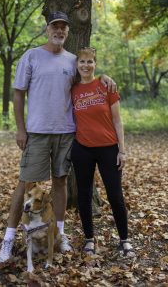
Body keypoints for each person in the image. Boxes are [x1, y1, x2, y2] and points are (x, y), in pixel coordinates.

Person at [0, 11, 117, 263]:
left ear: (67, 31)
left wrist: (105, 77)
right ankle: (8, 239)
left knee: (61, 181)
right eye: (55, 26)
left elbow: (88, 78)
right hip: (37, 133)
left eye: (64, 27)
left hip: (66, 132)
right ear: (47, 28)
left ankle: (60, 234)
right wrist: (20, 129)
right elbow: (18, 94)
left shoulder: (73, 60)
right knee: (25, 184)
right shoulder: (31, 56)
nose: (59, 31)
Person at [71, 47, 135, 257]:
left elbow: (118, 121)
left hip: (108, 148)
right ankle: (89, 238)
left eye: (90, 62)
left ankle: (124, 240)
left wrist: (122, 151)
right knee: (84, 195)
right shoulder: (72, 89)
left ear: (95, 65)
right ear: (77, 64)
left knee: (115, 195)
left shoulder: (107, 86)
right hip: (82, 149)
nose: (86, 65)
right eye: (82, 61)